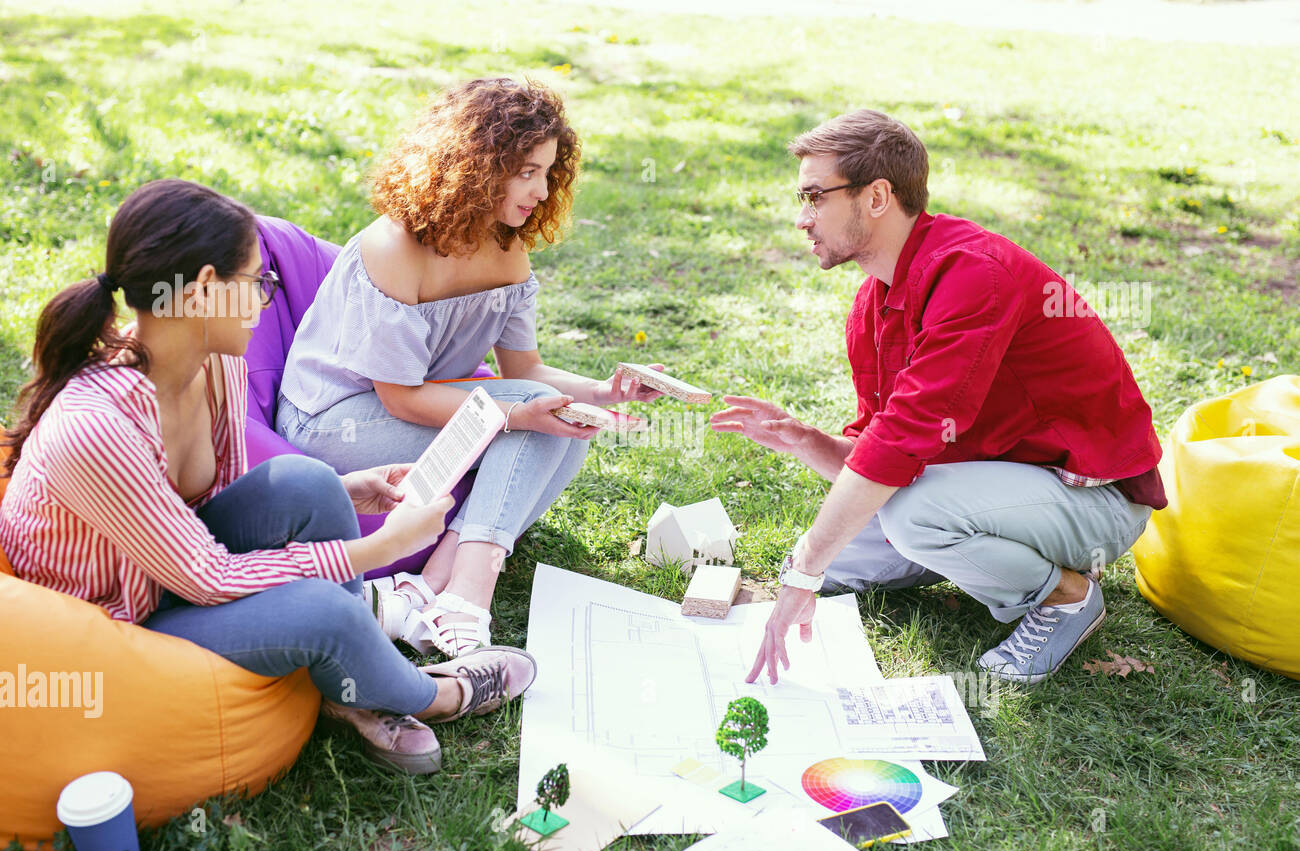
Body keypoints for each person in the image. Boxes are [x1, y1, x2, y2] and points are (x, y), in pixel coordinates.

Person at [0, 179, 536, 775]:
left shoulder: (219, 362)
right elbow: (207, 577)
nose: (267, 298)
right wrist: (378, 547)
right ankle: (436, 693)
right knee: (325, 613)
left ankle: (346, 690)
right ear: (204, 290)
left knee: (306, 481)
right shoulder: (99, 427)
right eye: (258, 283)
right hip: (120, 614)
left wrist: (347, 488)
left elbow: (218, 511)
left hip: (174, 564)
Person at [711, 110, 1166, 686]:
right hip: (999, 484)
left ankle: (1068, 596)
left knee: (906, 519)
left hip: (1096, 502)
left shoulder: (974, 273)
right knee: (843, 554)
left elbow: (899, 446)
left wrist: (805, 570)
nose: (802, 219)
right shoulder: (873, 302)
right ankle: (999, 558)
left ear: (877, 196)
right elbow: (882, 451)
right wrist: (806, 440)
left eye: (814, 197)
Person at [276, 77, 663, 658]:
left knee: (568, 425)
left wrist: (604, 392)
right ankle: (469, 594)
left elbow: (526, 369)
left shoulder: (508, 249)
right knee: (526, 420)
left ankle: (424, 588)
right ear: (477, 164)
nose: (539, 190)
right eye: (526, 170)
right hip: (334, 421)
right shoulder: (395, 247)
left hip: (423, 407)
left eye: (548, 173)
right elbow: (401, 399)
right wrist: (515, 413)